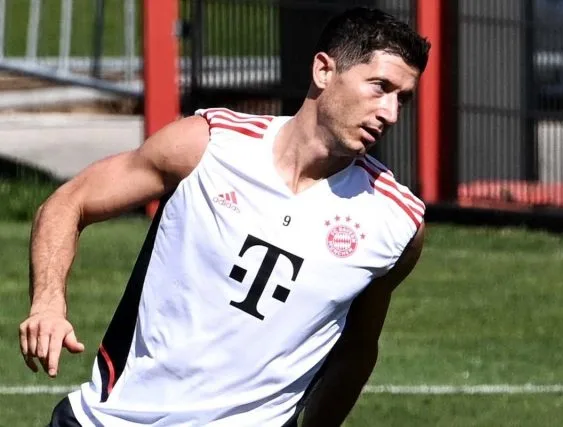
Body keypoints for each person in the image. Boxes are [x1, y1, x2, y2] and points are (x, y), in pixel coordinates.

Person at [19, 6, 430, 427]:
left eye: (403, 98)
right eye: (380, 87)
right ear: (324, 70)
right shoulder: (208, 146)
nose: (390, 113)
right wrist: (48, 304)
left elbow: (357, 349)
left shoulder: (396, 222)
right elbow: (70, 201)